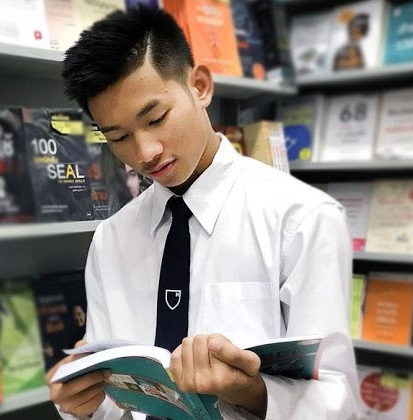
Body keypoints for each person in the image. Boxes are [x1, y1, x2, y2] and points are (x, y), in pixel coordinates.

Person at [47, 7, 357, 420]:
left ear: (200, 86)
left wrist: (252, 392)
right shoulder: (111, 238)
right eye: (118, 137)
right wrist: (81, 406)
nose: (145, 153)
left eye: (156, 119)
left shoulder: (302, 218)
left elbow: (338, 402)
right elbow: (115, 400)